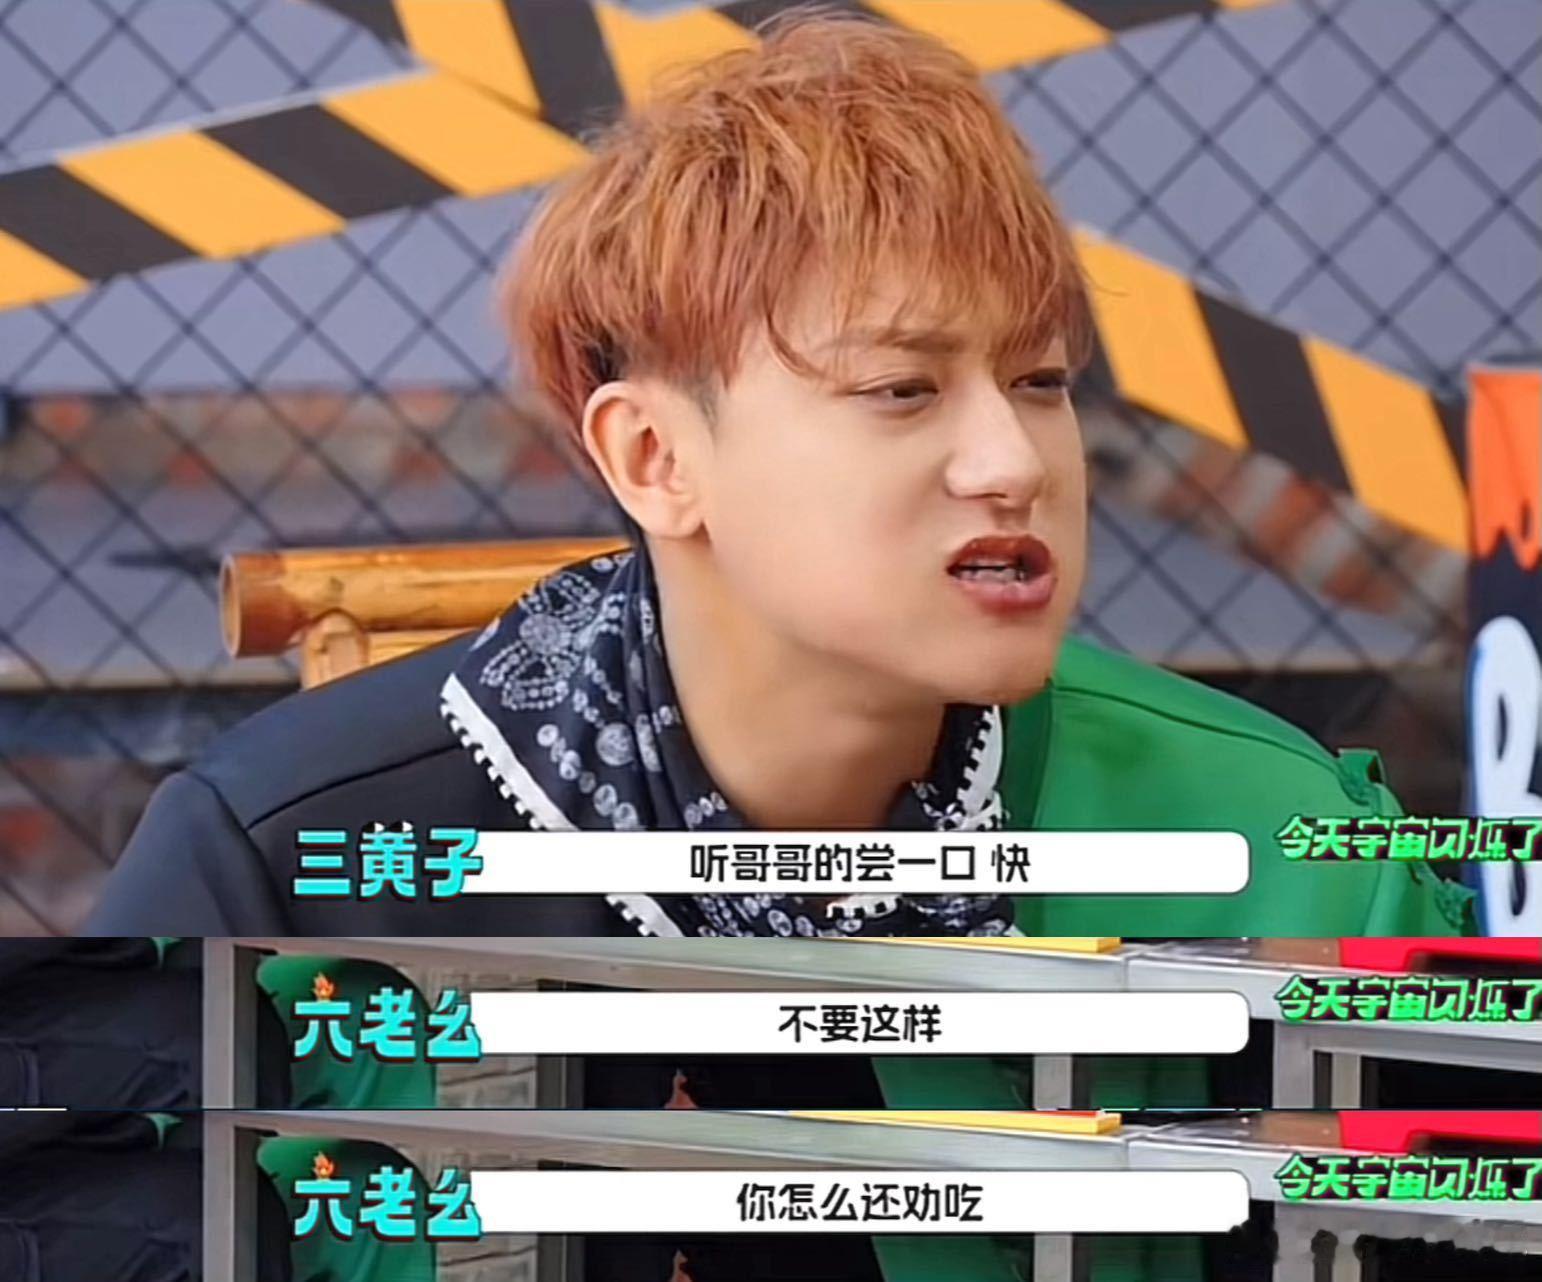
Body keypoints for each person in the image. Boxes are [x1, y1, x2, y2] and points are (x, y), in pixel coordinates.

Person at [89, 10, 1468, 944]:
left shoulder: (1265, 847)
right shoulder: (289, 868)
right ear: (655, 458)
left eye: (1041, 381)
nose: (1011, 462)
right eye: (899, 390)